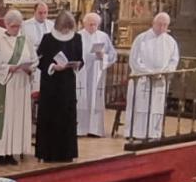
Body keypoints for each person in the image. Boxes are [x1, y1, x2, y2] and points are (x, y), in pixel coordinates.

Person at [0, 10, 37, 165]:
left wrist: (30, 68)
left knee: (16, 119)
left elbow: (34, 60)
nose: (17, 29)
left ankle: (12, 152)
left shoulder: (26, 40)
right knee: (3, 120)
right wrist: (8, 68)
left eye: (19, 26)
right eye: (14, 26)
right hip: (4, 85)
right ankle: (0, 153)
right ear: (6, 24)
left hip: (21, 85)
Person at [36, 11, 84, 163]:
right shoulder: (48, 38)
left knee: (67, 117)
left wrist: (76, 64)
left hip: (67, 83)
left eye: (68, 28)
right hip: (50, 84)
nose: (65, 31)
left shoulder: (77, 38)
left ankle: (67, 153)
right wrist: (52, 66)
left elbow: (80, 59)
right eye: (63, 28)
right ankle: (47, 153)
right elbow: (40, 60)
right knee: (50, 117)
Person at [127, 11, 180, 140]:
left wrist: (164, 72)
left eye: (165, 25)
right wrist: (149, 72)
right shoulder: (141, 39)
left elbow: (174, 60)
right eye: (159, 24)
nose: (162, 27)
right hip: (142, 79)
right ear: (153, 23)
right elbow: (134, 60)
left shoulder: (170, 41)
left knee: (157, 107)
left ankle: (153, 132)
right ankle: (136, 132)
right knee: (140, 106)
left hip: (160, 80)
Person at [77, 11, 118, 137]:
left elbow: (112, 55)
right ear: (84, 24)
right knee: (81, 98)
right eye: (90, 24)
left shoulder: (103, 37)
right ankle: (80, 129)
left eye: (95, 24)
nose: (93, 27)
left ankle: (94, 129)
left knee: (96, 99)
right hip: (81, 72)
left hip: (97, 73)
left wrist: (103, 56)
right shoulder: (78, 36)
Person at [22, 3, 51, 93]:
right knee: (33, 88)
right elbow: (22, 43)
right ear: (34, 12)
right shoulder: (25, 25)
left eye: (45, 13)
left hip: (47, 60)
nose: (43, 15)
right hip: (32, 58)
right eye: (40, 13)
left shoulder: (52, 25)